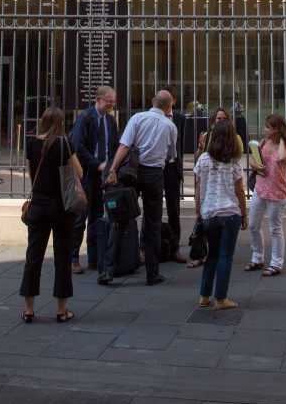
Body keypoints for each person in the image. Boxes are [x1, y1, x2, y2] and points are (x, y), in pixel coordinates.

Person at [104, 89, 177, 286]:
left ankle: (109, 269)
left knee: (120, 218)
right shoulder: (170, 126)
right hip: (155, 175)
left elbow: (124, 146)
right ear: (169, 107)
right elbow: (171, 155)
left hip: (132, 173)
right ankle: (152, 274)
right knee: (153, 224)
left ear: (153, 101)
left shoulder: (137, 118)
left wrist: (113, 170)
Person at [19, 106, 83, 323]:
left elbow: (31, 174)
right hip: (62, 206)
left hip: (38, 205)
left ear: (43, 122)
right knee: (63, 257)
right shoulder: (64, 144)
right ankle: (61, 310)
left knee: (33, 257)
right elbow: (80, 173)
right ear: (60, 123)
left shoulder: (31, 144)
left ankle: (28, 309)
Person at [193, 117, 248, 309]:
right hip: (230, 212)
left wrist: (198, 210)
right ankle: (221, 299)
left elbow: (198, 187)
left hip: (209, 212)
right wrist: (244, 214)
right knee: (226, 255)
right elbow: (239, 191)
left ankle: (204, 295)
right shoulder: (234, 162)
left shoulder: (203, 160)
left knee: (212, 255)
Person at [70, 85, 119, 274]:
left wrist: (111, 166)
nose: (111, 105)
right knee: (80, 218)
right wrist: (97, 164)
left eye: (113, 102)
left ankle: (94, 258)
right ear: (98, 99)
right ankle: (73, 258)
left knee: (97, 217)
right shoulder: (85, 118)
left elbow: (114, 146)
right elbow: (78, 147)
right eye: (109, 102)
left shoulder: (111, 121)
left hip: (102, 175)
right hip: (86, 174)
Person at [189, 107, 241, 267]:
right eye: (219, 118)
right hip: (210, 191)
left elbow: (237, 160)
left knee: (218, 252)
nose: (221, 121)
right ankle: (201, 254)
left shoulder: (234, 138)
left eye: (224, 118)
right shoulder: (207, 137)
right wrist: (200, 146)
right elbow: (199, 160)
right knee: (220, 252)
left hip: (223, 190)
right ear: (213, 122)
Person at [246, 114, 286, 276]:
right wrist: (255, 165)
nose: (265, 129)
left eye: (268, 127)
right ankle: (257, 257)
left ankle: (276, 263)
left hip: (277, 192)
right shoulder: (263, 142)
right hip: (260, 188)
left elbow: (282, 158)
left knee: (275, 228)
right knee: (253, 224)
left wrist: (282, 140)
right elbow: (252, 159)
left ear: (277, 129)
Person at [157, 85, 188, 264]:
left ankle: (175, 247)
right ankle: (146, 247)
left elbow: (180, 145)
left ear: (173, 101)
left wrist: (179, 167)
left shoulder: (180, 118)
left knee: (174, 209)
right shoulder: (152, 116)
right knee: (152, 207)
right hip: (155, 167)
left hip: (171, 168)